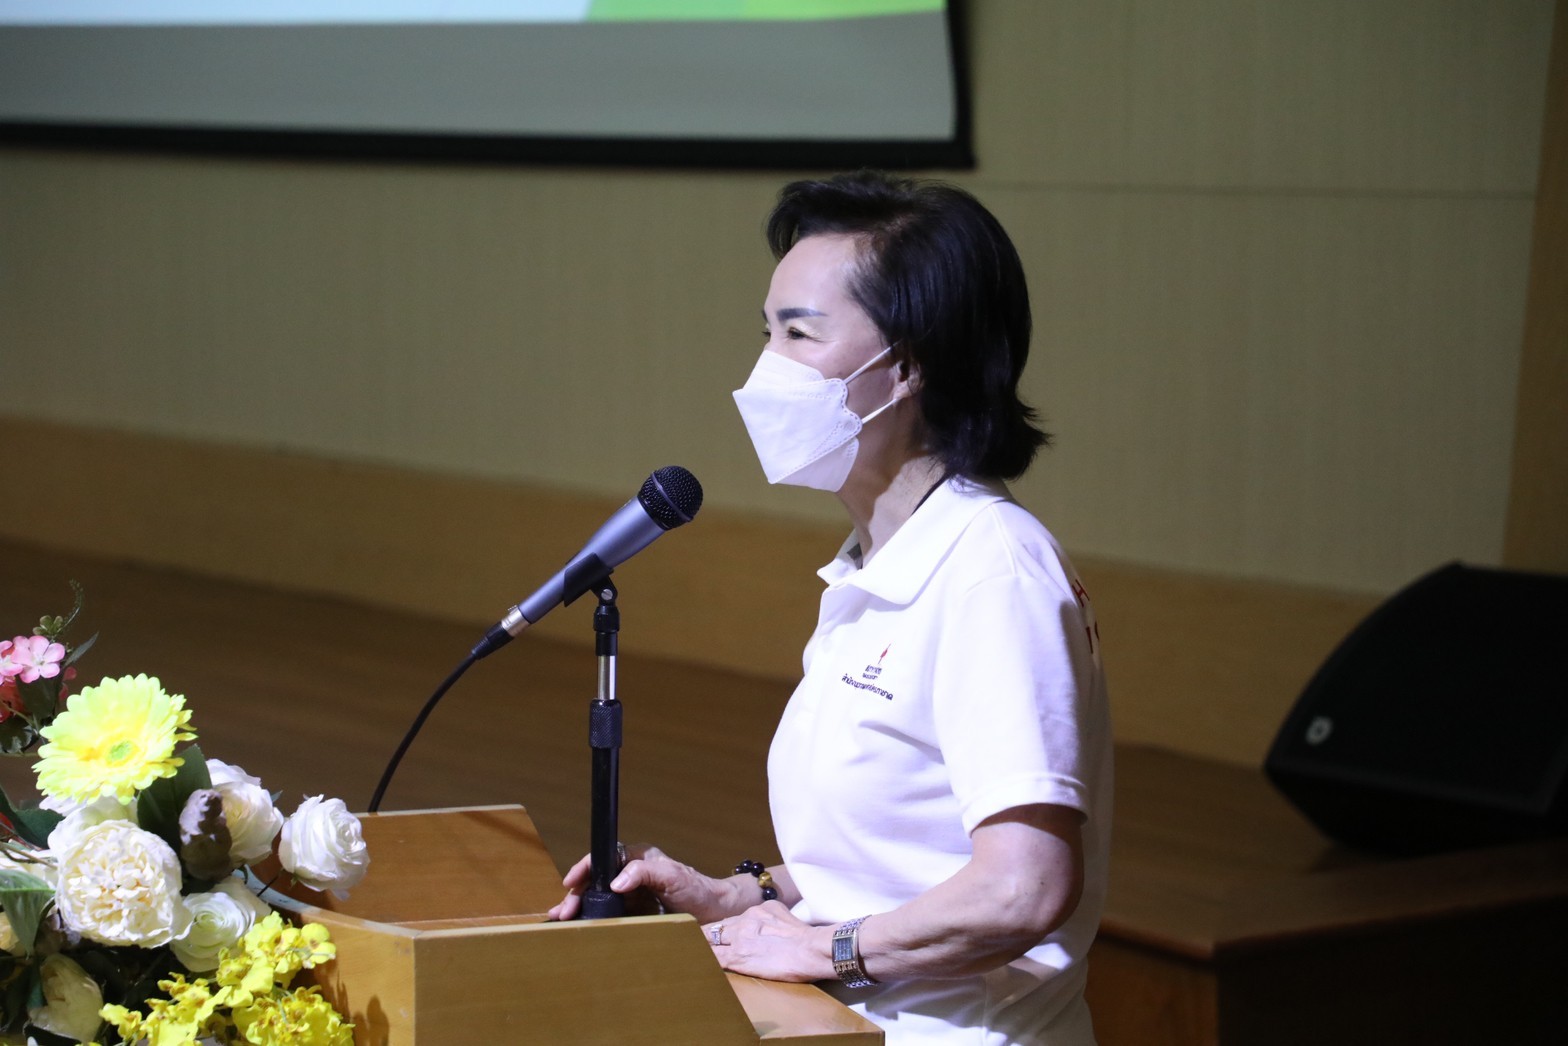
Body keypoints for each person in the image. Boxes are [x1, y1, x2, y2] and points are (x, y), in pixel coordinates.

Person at [549, 170, 1112, 1044]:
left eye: (799, 334)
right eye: (766, 332)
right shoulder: (873, 565)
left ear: (908, 365)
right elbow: (894, 860)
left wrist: (824, 950)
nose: (766, 369)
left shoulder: (992, 573)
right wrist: (735, 896)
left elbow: (1022, 887)